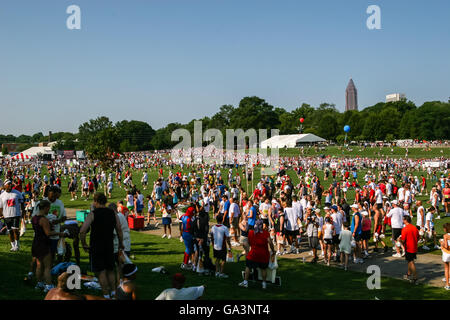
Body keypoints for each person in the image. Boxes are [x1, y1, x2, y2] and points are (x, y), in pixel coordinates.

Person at [80, 192, 124, 299]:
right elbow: (119, 229)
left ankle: (105, 295)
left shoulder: (93, 214)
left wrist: (84, 243)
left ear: (95, 201)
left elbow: (82, 231)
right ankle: (113, 293)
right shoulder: (113, 213)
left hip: (96, 246)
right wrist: (121, 243)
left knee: (101, 272)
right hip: (109, 245)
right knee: (110, 269)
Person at [32, 200, 67, 292]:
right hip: (44, 243)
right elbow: (48, 233)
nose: (49, 210)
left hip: (36, 242)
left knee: (39, 265)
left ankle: (39, 283)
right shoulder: (44, 219)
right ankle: (48, 285)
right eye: (48, 208)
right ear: (46, 208)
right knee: (47, 266)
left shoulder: (34, 218)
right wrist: (60, 233)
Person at [239, 219, 275, 289]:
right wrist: (273, 250)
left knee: (248, 267)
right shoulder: (265, 233)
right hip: (263, 255)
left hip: (253, 254)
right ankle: (264, 284)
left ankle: (245, 282)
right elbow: (270, 242)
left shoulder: (251, 232)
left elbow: (248, 243)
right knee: (263, 269)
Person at [0, 180, 25, 251]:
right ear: (5, 186)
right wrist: (1, 215)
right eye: (8, 184)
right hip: (6, 216)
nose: (10, 185)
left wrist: (22, 212)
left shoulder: (17, 193)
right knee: (10, 231)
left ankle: (17, 245)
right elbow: (1, 207)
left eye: (11, 184)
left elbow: (22, 203)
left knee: (16, 230)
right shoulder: (2, 196)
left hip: (16, 214)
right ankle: (13, 246)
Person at [400, 215, 419, 284]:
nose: (402, 221)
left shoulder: (405, 229)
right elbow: (418, 237)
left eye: (403, 219)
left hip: (408, 248)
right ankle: (408, 274)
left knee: (411, 262)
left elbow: (403, 240)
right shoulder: (414, 228)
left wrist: (399, 240)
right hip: (414, 247)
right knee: (409, 261)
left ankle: (415, 278)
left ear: (405, 220)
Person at [440, 223, 450, 290]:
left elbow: (446, 246)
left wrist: (441, 242)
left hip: (446, 253)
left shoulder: (445, 236)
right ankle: (448, 279)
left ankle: (447, 284)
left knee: (446, 268)